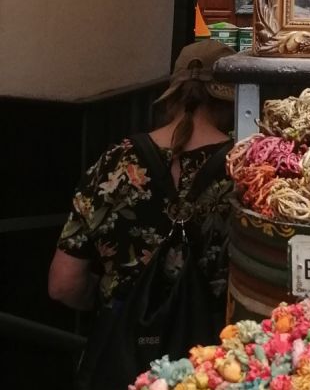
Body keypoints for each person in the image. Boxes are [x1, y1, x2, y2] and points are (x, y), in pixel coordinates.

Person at [49, 39, 236, 324]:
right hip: (216, 345)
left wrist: (110, 312)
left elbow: (64, 284)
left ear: (172, 96)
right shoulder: (243, 170)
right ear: (232, 101)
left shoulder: (115, 162)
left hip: (123, 343)